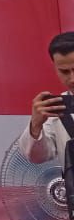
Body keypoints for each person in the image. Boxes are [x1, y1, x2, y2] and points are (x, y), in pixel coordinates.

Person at [21, 31, 74, 163]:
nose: (72, 79)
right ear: (55, 68)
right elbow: (36, 158)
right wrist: (36, 125)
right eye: (64, 71)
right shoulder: (57, 108)